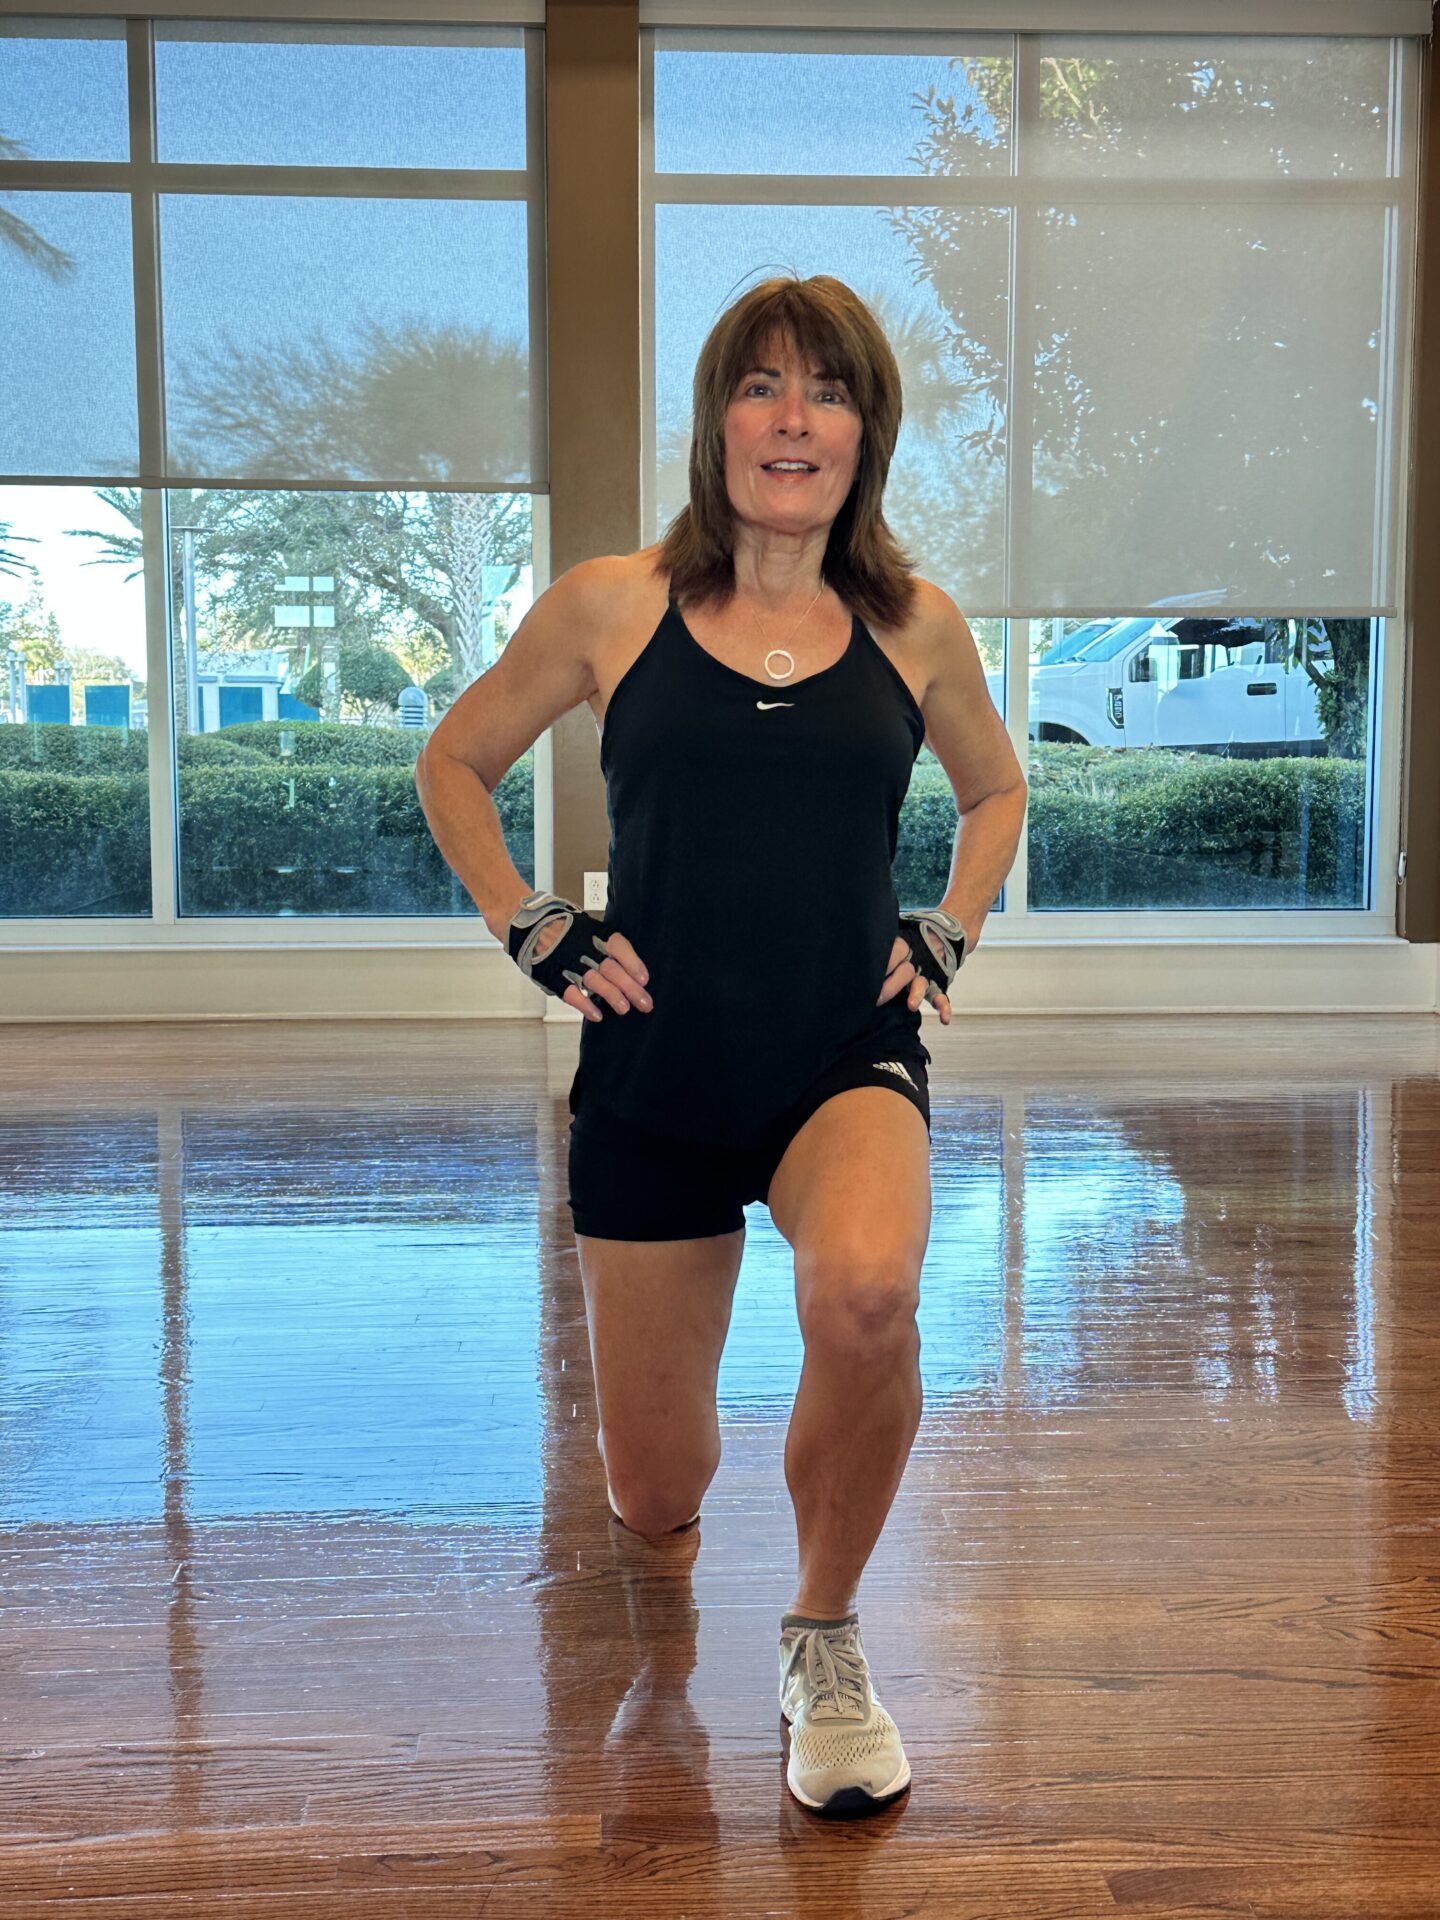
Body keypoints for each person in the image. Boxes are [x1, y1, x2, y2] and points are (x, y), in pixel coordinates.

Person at [416, 272, 1027, 1817]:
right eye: (762, 385)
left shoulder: (915, 623)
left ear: (867, 432)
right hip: (657, 1074)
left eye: (829, 390)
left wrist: (950, 926)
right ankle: (666, 1618)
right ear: (718, 421)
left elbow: (998, 789)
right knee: (653, 1486)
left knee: (870, 1292)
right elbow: (456, 761)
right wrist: (529, 924)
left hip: (842, 1053)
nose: (794, 417)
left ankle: (825, 1638)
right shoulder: (612, 605)